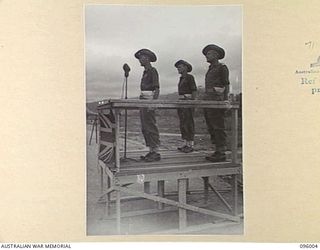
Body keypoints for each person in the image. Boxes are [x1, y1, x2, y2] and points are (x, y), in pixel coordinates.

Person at [202, 44, 230, 162]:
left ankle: (221, 152)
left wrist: (225, 100)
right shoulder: (211, 68)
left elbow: (226, 84)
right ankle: (217, 150)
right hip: (208, 100)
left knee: (218, 126)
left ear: (216, 55)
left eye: (209, 54)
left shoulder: (222, 67)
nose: (206, 56)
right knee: (211, 126)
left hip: (217, 100)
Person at [134, 48, 161, 162]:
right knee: (145, 126)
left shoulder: (152, 70)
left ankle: (155, 151)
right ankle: (151, 151)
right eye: (139, 58)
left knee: (150, 125)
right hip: (143, 100)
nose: (140, 60)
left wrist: (153, 103)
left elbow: (157, 88)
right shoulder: (145, 72)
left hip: (149, 100)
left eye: (142, 58)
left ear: (148, 58)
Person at [174, 60, 197, 153]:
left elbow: (194, 90)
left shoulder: (190, 77)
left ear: (185, 67)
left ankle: (190, 144)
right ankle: (185, 143)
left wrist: (192, 103)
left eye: (180, 67)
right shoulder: (181, 79)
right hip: (181, 102)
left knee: (189, 122)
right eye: (178, 67)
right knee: (183, 123)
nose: (178, 69)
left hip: (188, 102)